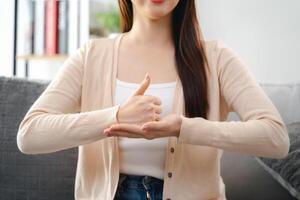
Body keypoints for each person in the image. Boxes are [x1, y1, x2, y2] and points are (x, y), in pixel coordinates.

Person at [17, 0, 290, 199]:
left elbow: (276, 138)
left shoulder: (216, 58)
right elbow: (29, 135)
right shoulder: (91, 55)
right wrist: (116, 116)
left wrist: (184, 128)